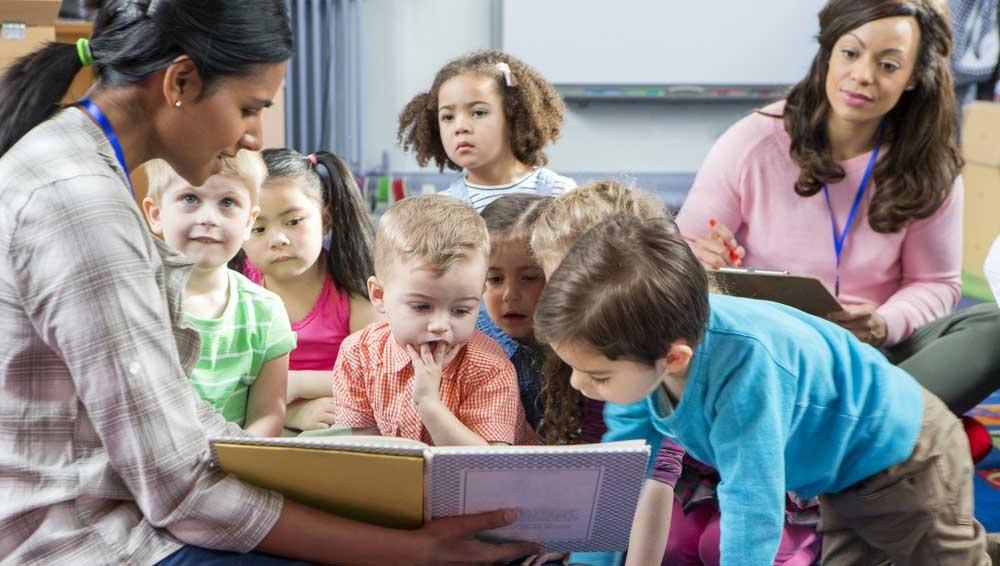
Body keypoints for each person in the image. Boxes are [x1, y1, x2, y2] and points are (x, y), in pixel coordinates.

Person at [0, 1, 539, 563]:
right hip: (83, 538)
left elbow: (180, 419)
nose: (255, 138)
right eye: (249, 109)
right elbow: (181, 490)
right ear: (180, 81)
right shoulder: (82, 204)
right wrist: (407, 551)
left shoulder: (81, 168)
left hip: (124, 510)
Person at [535, 212, 989, 565]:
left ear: (674, 358)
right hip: (839, 475)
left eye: (597, 376)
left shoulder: (745, 367)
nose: (581, 386)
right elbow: (623, 477)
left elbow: (752, 505)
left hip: (905, 456)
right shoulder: (647, 347)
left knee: (942, 557)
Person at [677, 0, 1000, 418]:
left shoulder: (930, 164)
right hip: (768, 351)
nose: (863, 76)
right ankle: (888, 430)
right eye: (850, 53)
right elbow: (680, 251)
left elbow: (935, 284)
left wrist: (883, 323)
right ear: (827, 53)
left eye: (888, 65)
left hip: (876, 357)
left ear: (913, 78)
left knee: (993, 327)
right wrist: (702, 257)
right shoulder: (753, 141)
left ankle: (856, 427)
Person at [531, 181, 820, 566]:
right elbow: (619, 471)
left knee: (713, 543)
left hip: (764, 478)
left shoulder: (664, 345)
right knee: (680, 543)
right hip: (693, 483)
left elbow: (660, 473)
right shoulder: (585, 342)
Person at [332, 194, 532, 446]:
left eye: (460, 310)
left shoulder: (488, 367)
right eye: (422, 307)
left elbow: (486, 468)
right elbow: (359, 448)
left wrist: (429, 405)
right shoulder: (358, 354)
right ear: (379, 295)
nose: (440, 326)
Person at [143, 153, 294, 437]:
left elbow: (268, 414)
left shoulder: (266, 312)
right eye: (190, 199)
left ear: (250, 222)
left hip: (233, 466)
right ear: (156, 214)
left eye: (227, 202)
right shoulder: (135, 299)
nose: (209, 218)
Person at [239, 148, 378, 433]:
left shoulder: (355, 288)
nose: (277, 239)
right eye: (258, 228)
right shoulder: (238, 290)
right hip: (262, 426)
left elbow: (379, 374)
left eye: (293, 222)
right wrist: (289, 409)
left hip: (341, 427)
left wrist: (295, 383)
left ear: (325, 220)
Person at [398, 50, 575, 212]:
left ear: (513, 115)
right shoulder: (442, 209)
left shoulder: (558, 193)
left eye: (478, 113)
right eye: (448, 117)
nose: (460, 127)